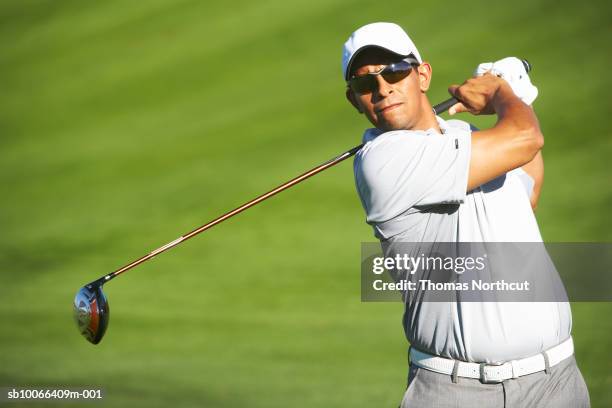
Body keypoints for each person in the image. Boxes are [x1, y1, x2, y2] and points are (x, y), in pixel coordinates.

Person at [343, 22, 590, 407]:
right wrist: (502, 93)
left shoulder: (466, 133)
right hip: (457, 390)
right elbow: (526, 138)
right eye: (364, 83)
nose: (382, 88)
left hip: (556, 384)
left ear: (422, 74)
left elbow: (528, 193)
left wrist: (519, 99)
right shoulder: (382, 162)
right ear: (354, 99)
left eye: (394, 71)